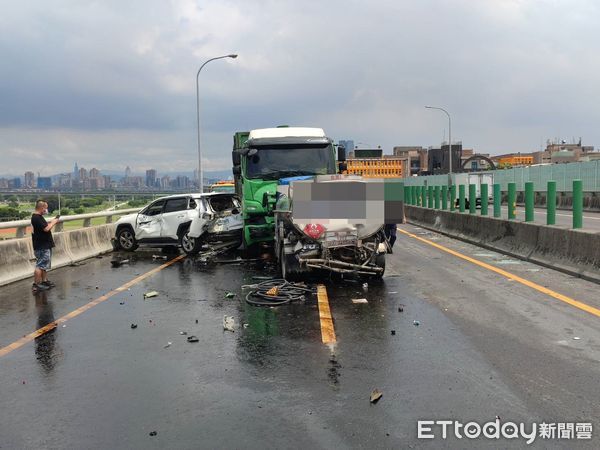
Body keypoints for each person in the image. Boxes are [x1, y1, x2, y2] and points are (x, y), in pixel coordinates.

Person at [31, 200, 59, 292]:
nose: (46, 210)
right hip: (42, 246)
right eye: (46, 208)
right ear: (42, 208)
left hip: (44, 245)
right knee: (40, 265)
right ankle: (36, 285)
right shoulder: (36, 218)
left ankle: (44, 281)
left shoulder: (38, 217)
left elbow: (44, 227)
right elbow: (46, 229)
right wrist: (54, 222)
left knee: (44, 265)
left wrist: (50, 223)